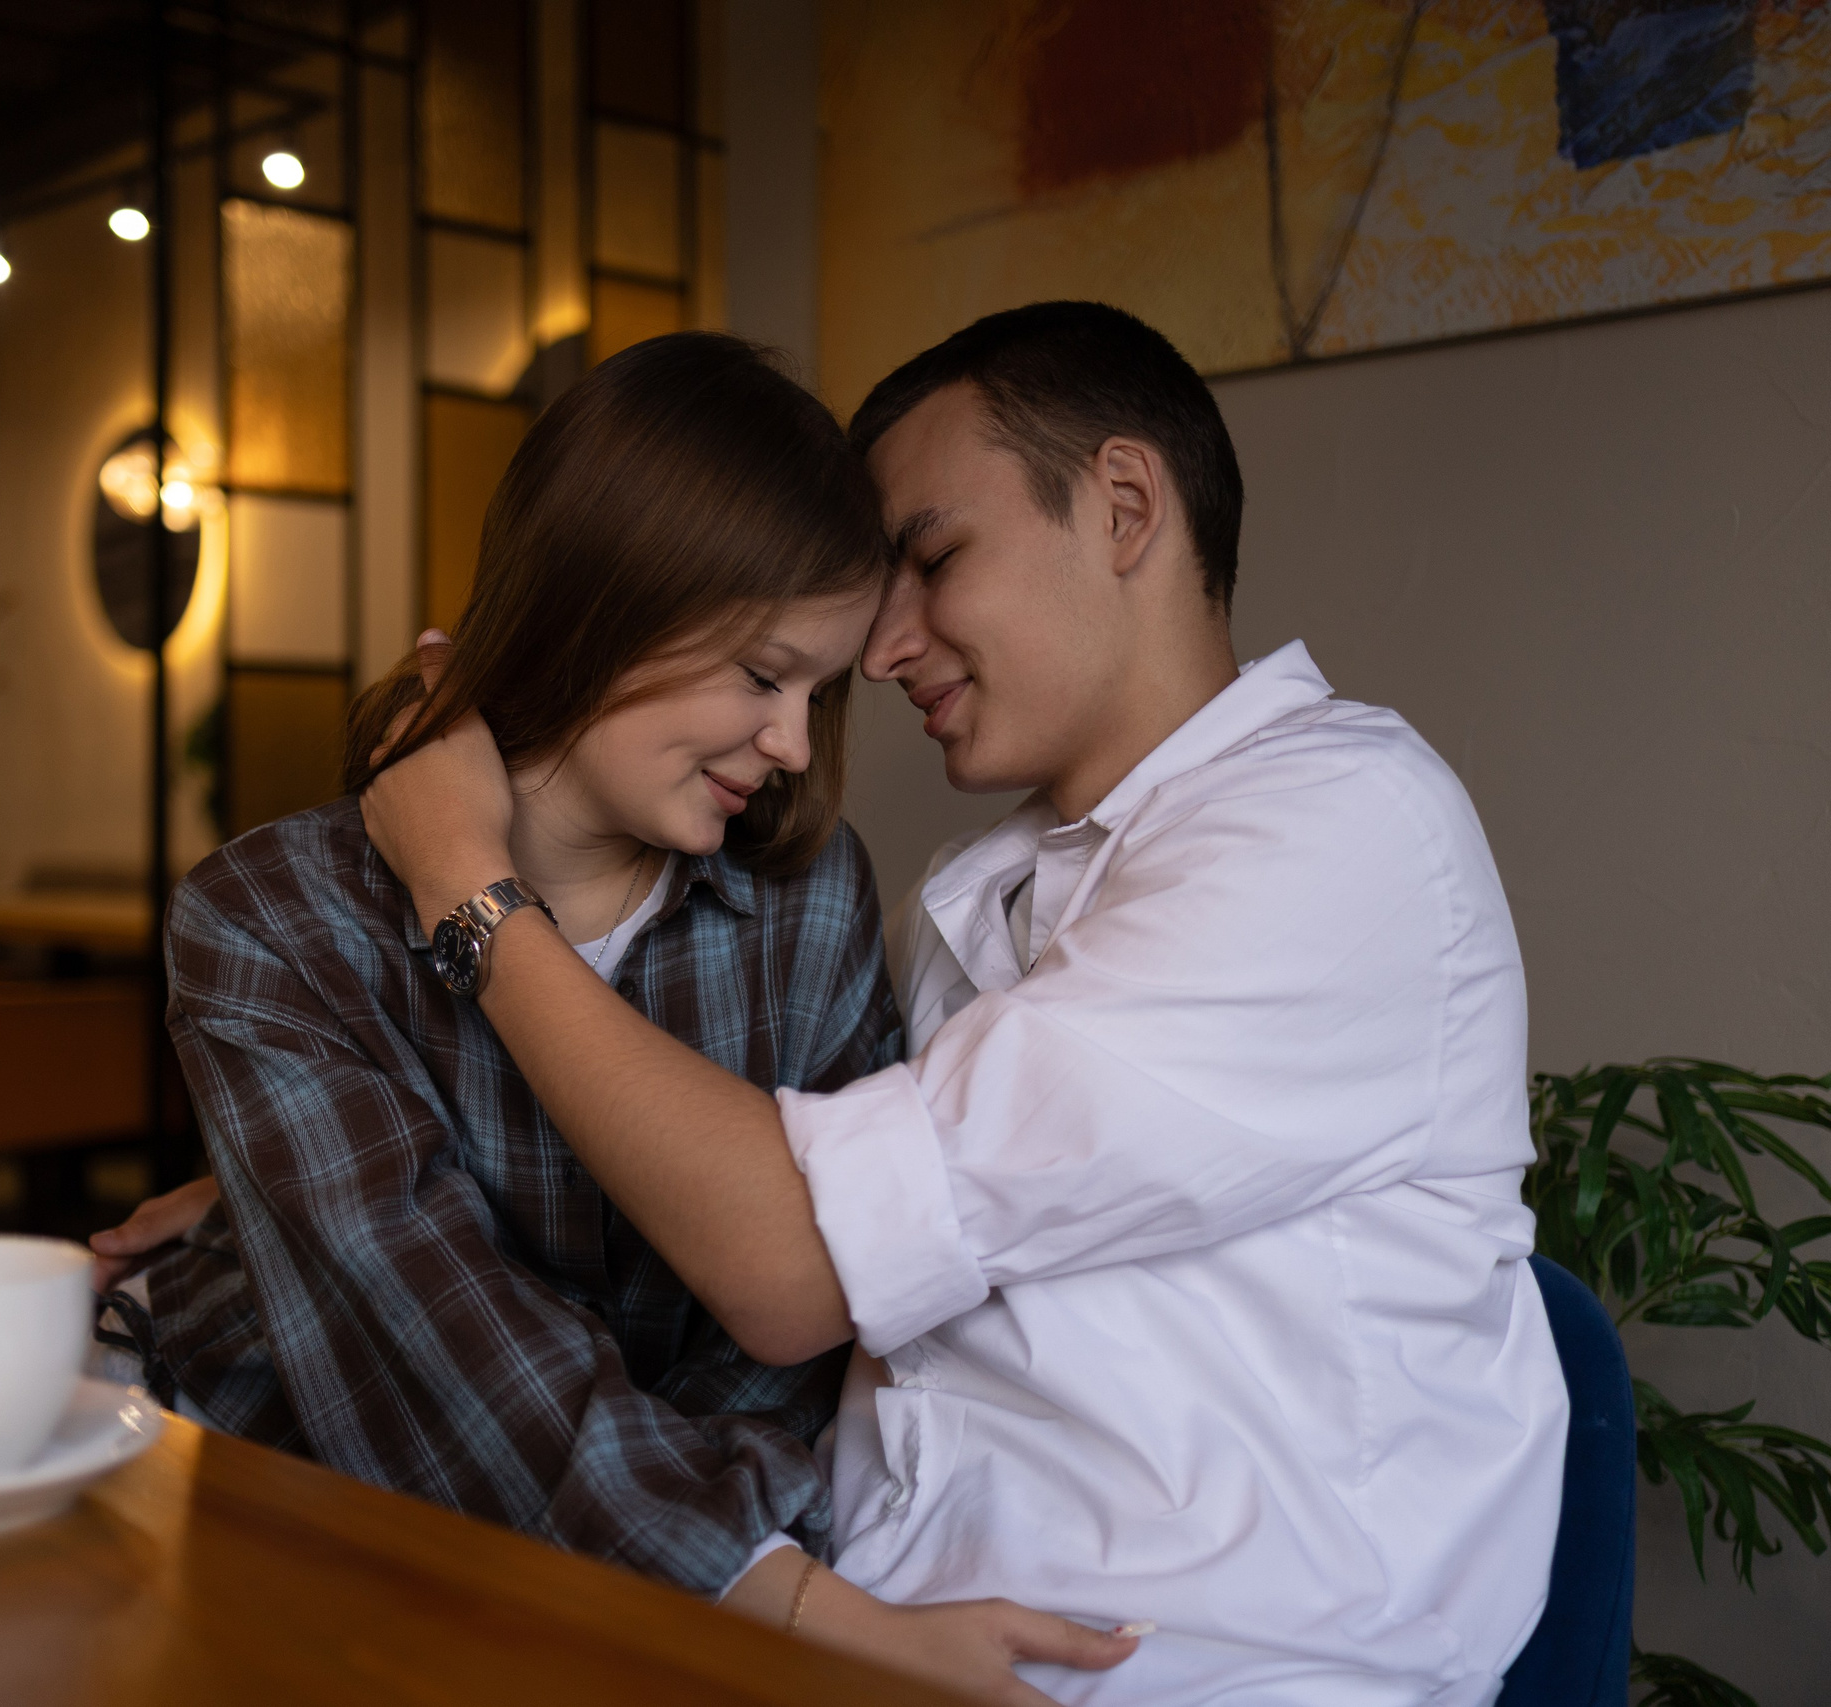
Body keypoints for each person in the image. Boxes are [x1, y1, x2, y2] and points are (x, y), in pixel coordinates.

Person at [354, 303, 1568, 1705]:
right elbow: (715, 1154)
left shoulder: (1336, 825)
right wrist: (387, 1126)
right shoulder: (980, 892)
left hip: (1214, 1667)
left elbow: (792, 1261)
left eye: (932, 561)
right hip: (871, 1617)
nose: (881, 648)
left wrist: (465, 879)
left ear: (1124, 506)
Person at [92, 332, 1139, 1700]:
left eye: (815, 693)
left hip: (655, 1579)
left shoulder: (809, 901)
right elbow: (430, 1351)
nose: (787, 744)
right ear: (608, 599)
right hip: (291, 1531)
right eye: (765, 674)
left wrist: (718, 1570)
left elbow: (803, 1336)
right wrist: (783, 1595)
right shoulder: (267, 918)